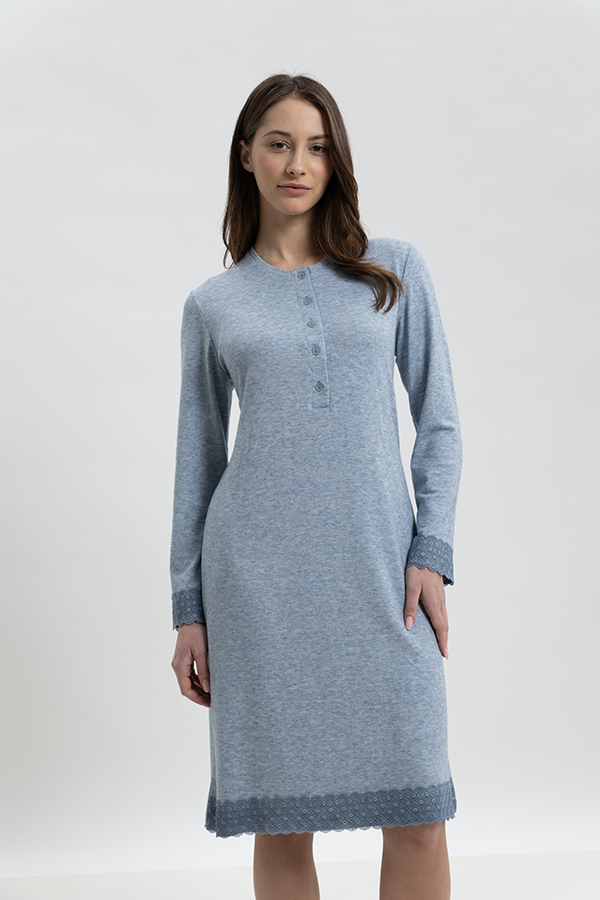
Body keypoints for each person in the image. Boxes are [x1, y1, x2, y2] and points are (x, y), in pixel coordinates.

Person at [170, 72, 462, 900]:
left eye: (318, 147)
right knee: (281, 821)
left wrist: (431, 552)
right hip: (258, 589)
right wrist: (188, 609)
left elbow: (440, 422)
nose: (298, 164)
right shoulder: (214, 304)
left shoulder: (392, 270)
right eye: (279, 144)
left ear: (337, 162)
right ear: (247, 156)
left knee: (419, 814)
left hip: (382, 575)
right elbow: (198, 462)